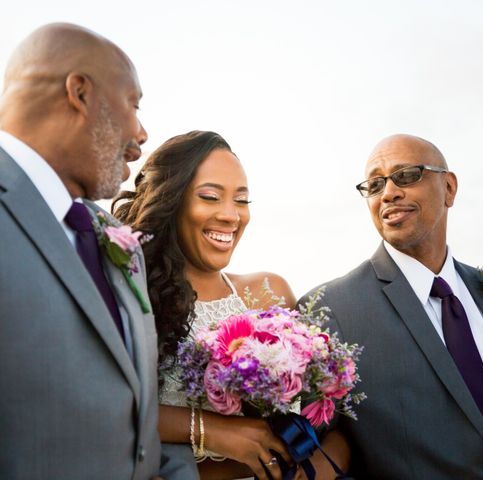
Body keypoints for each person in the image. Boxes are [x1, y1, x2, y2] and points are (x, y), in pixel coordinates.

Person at [0, 23, 196, 479]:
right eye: (133, 105)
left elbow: (134, 424)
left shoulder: (118, 238)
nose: (141, 134)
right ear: (79, 93)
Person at [301, 134, 483, 479]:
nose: (388, 192)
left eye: (406, 175)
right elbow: (314, 456)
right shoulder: (329, 310)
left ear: (449, 188)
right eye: (374, 184)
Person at [114, 130, 350, 479]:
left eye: (241, 200)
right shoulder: (131, 295)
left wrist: (321, 468)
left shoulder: (270, 292)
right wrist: (209, 429)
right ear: (171, 201)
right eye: (210, 197)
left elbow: (330, 426)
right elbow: (106, 408)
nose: (230, 215)